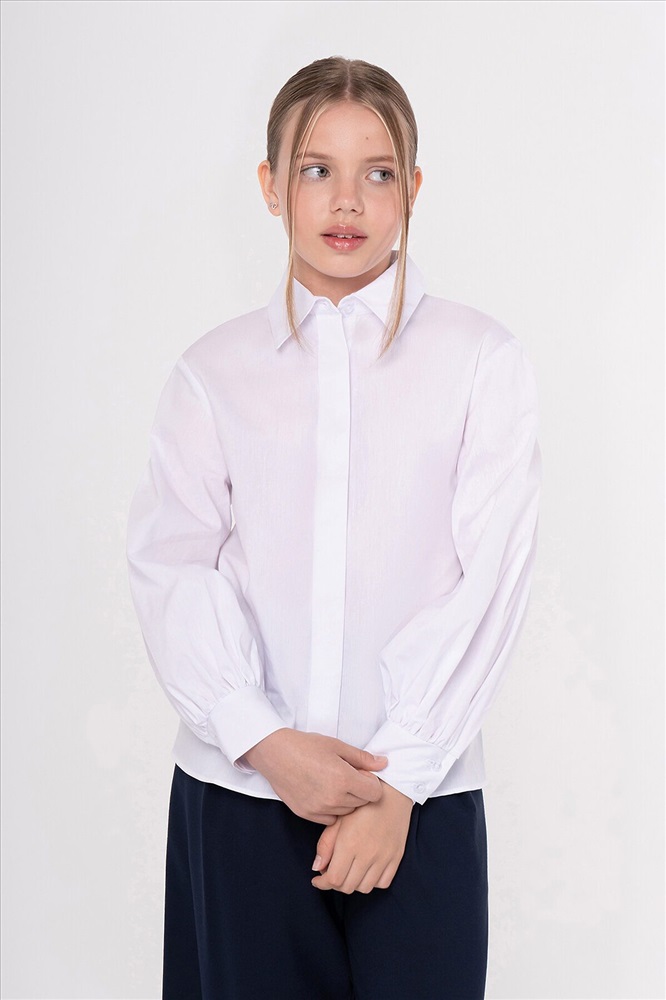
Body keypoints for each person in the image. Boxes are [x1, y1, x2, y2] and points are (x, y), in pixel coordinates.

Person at [126, 55, 542, 1000]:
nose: (346, 199)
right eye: (316, 168)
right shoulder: (212, 373)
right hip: (241, 794)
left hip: (418, 801)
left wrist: (397, 782)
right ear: (271, 186)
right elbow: (172, 568)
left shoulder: (482, 361)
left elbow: (490, 580)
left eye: (377, 171)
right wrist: (265, 741)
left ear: (414, 188)